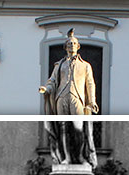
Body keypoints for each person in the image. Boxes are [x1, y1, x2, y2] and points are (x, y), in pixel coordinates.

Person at [39, 29, 98, 168]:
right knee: (63, 128)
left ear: (78, 46)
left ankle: (80, 156)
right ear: (65, 47)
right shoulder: (59, 65)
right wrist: (46, 89)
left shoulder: (85, 66)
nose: (72, 45)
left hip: (77, 98)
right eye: (69, 43)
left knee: (78, 128)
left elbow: (90, 83)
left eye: (74, 43)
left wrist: (92, 101)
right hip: (61, 97)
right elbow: (53, 81)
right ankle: (67, 158)